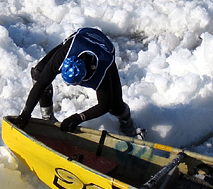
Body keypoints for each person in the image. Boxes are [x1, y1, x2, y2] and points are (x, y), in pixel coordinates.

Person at [12, 27, 140, 136]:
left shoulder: (101, 71)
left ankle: (126, 122)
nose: (67, 86)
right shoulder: (63, 56)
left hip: (104, 49)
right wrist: (25, 115)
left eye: (72, 84)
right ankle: (47, 118)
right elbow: (41, 84)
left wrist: (78, 118)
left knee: (114, 105)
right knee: (39, 74)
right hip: (79, 39)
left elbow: (104, 106)